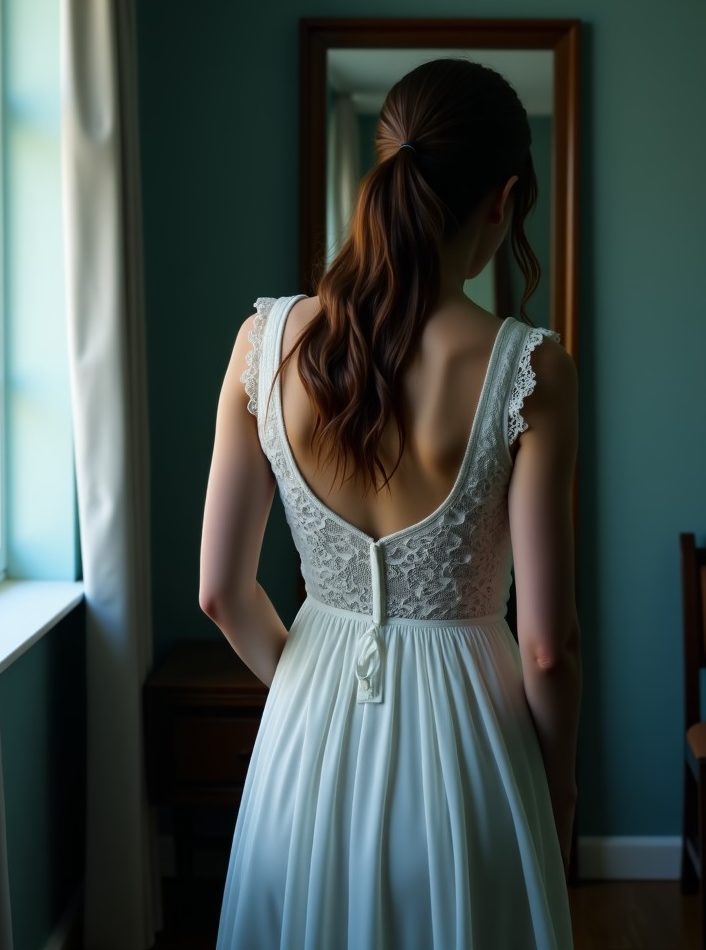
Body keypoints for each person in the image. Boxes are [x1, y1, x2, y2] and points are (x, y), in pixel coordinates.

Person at [199, 57, 581, 949]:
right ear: (503, 199)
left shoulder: (264, 343)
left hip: (306, 744)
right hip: (472, 756)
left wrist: (312, 688)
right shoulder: (531, 368)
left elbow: (221, 590)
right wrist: (557, 791)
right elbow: (547, 647)